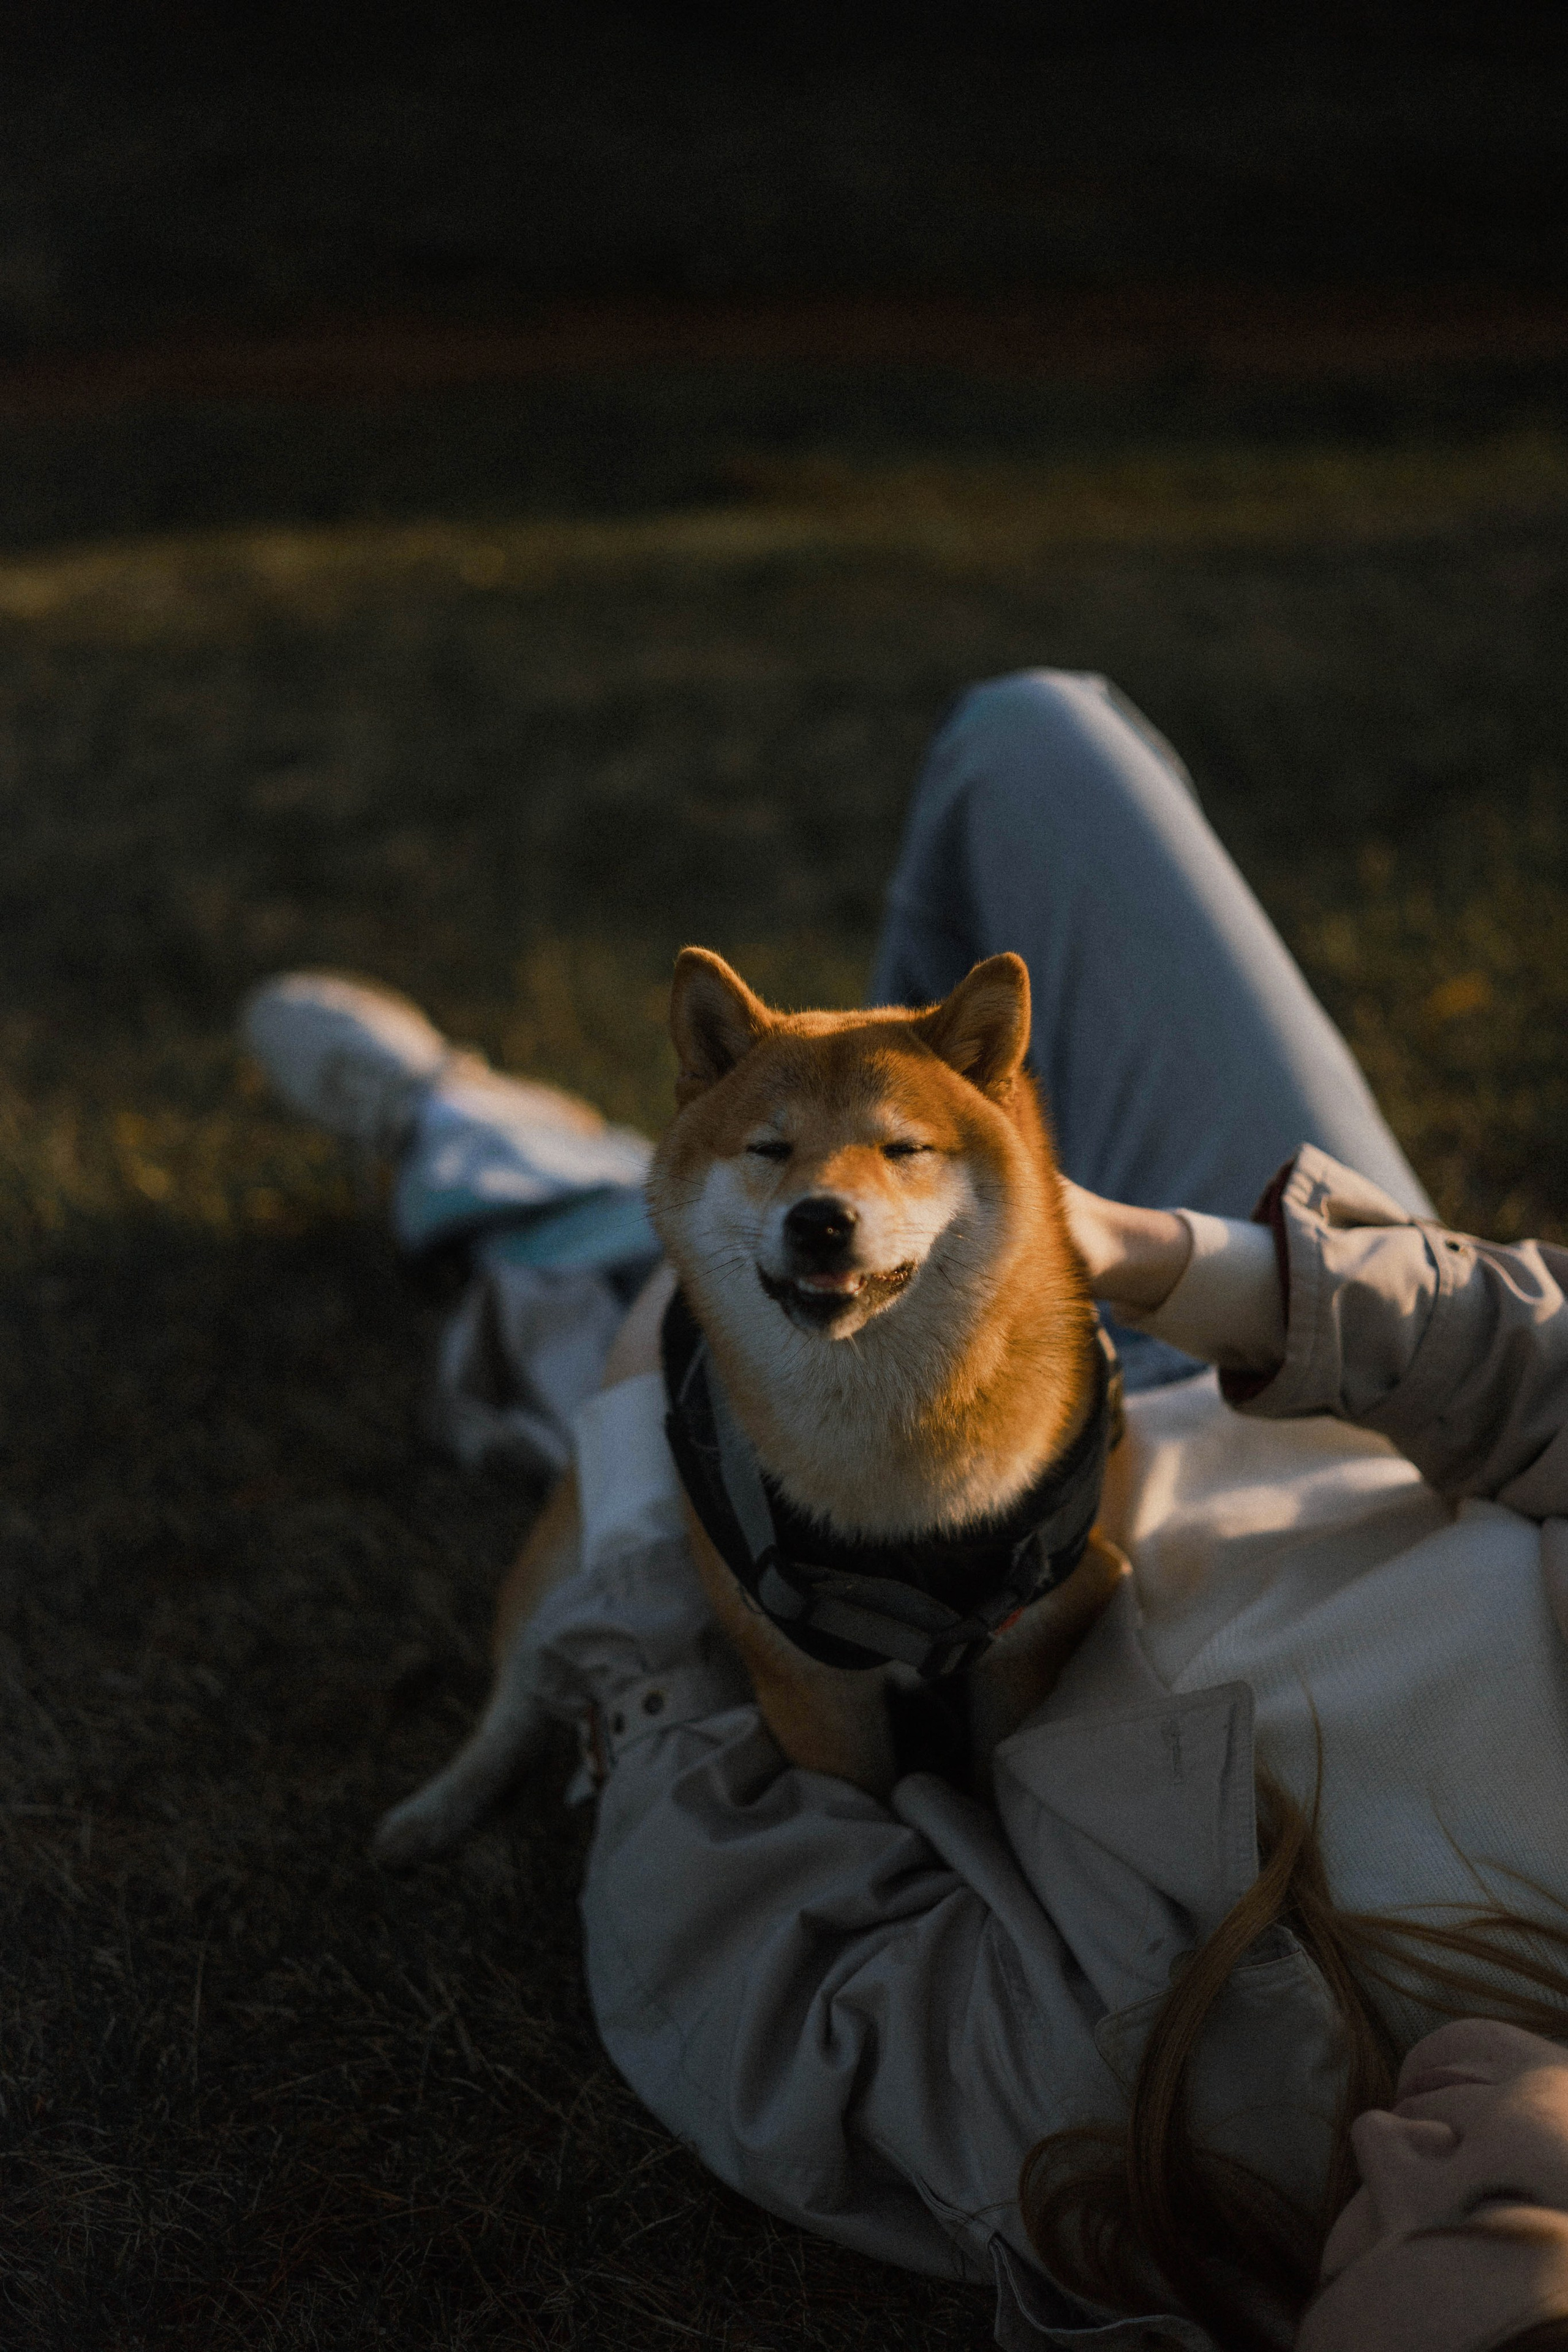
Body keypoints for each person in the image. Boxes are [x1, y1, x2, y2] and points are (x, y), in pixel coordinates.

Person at [244, 672, 1568, 2351]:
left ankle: (496, 1150)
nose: (1385, 2149)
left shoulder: (1139, 2147)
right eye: (1503, 2209)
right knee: (1036, 739)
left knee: (629, 1289)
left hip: (907, 1548)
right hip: (1285, 1361)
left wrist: (666, 1476)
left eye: (1349, 2247)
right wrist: (1173, 1259)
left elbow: (743, 1971)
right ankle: (846, 1133)